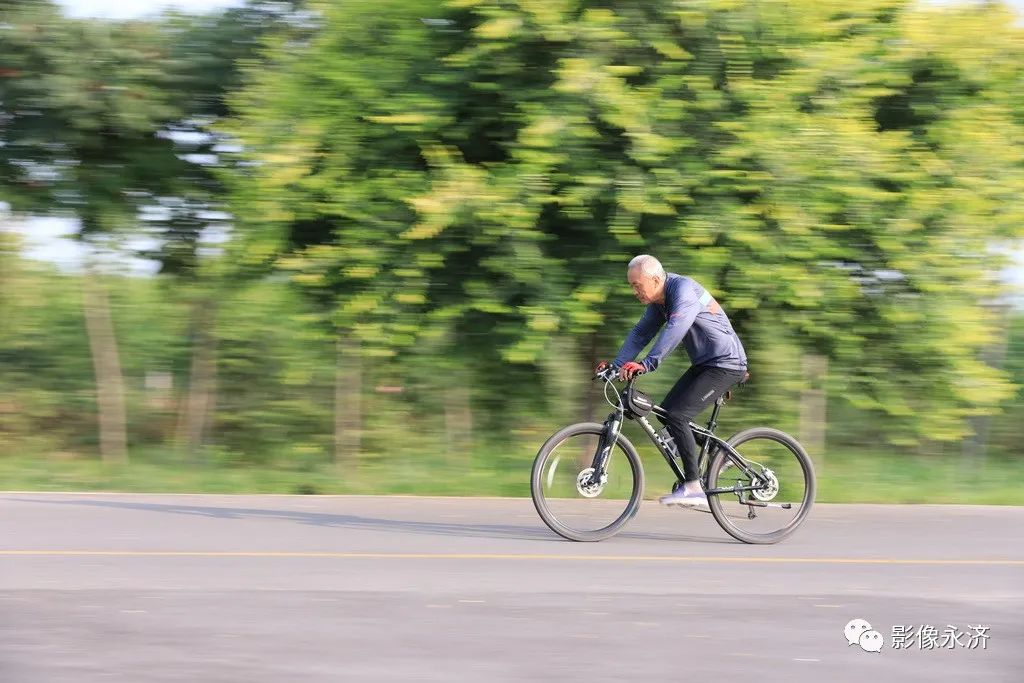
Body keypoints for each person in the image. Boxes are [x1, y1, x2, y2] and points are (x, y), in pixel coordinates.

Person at [596, 255, 748, 507]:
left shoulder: (683, 291)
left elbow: (676, 328)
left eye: (637, 285)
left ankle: (693, 487)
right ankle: (716, 454)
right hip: (705, 364)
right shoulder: (659, 303)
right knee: (667, 414)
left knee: (678, 416)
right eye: (631, 285)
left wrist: (646, 364)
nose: (634, 291)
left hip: (725, 364)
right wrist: (617, 365)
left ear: (655, 280)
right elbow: (641, 333)